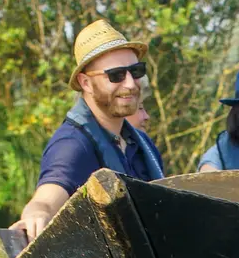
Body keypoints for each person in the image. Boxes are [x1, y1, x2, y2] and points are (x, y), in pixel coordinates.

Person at [12, 20, 167, 239]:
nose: (131, 84)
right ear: (85, 83)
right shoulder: (72, 145)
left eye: (136, 71)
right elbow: (48, 196)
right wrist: (38, 213)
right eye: (116, 75)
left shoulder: (142, 143)